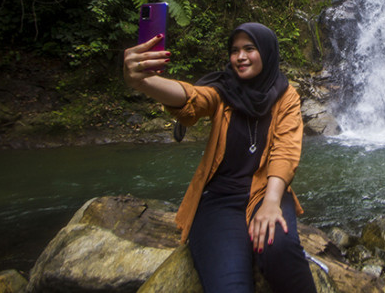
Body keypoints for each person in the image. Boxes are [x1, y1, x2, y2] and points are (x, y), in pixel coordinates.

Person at [123, 22, 317, 293]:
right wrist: (144, 81)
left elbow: (286, 149)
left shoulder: (286, 97)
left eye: (249, 48)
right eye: (235, 50)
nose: (240, 57)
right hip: (219, 201)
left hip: (265, 191)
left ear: (267, 51)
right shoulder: (222, 90)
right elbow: (192, 98)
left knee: (280, 250)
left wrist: (272, 202)